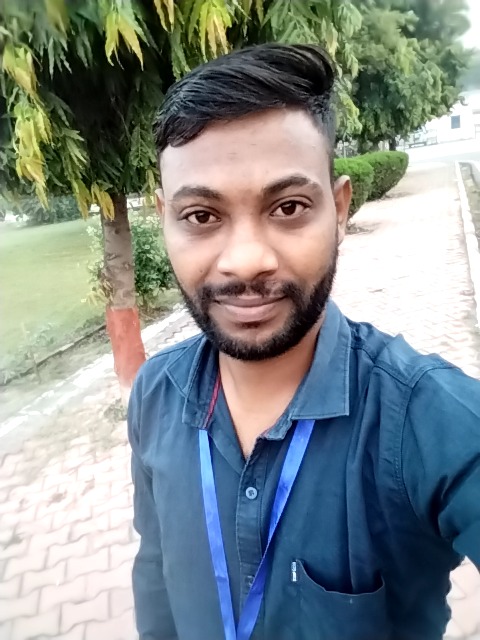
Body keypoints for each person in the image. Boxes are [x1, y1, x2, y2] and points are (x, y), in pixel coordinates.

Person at [127, 43, 480, 640]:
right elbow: (156, 576)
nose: (245, 261)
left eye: (288, 207)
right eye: (202, 217)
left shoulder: (430, 422)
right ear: (165, 219)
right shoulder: (153, 395)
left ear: (338, 210)